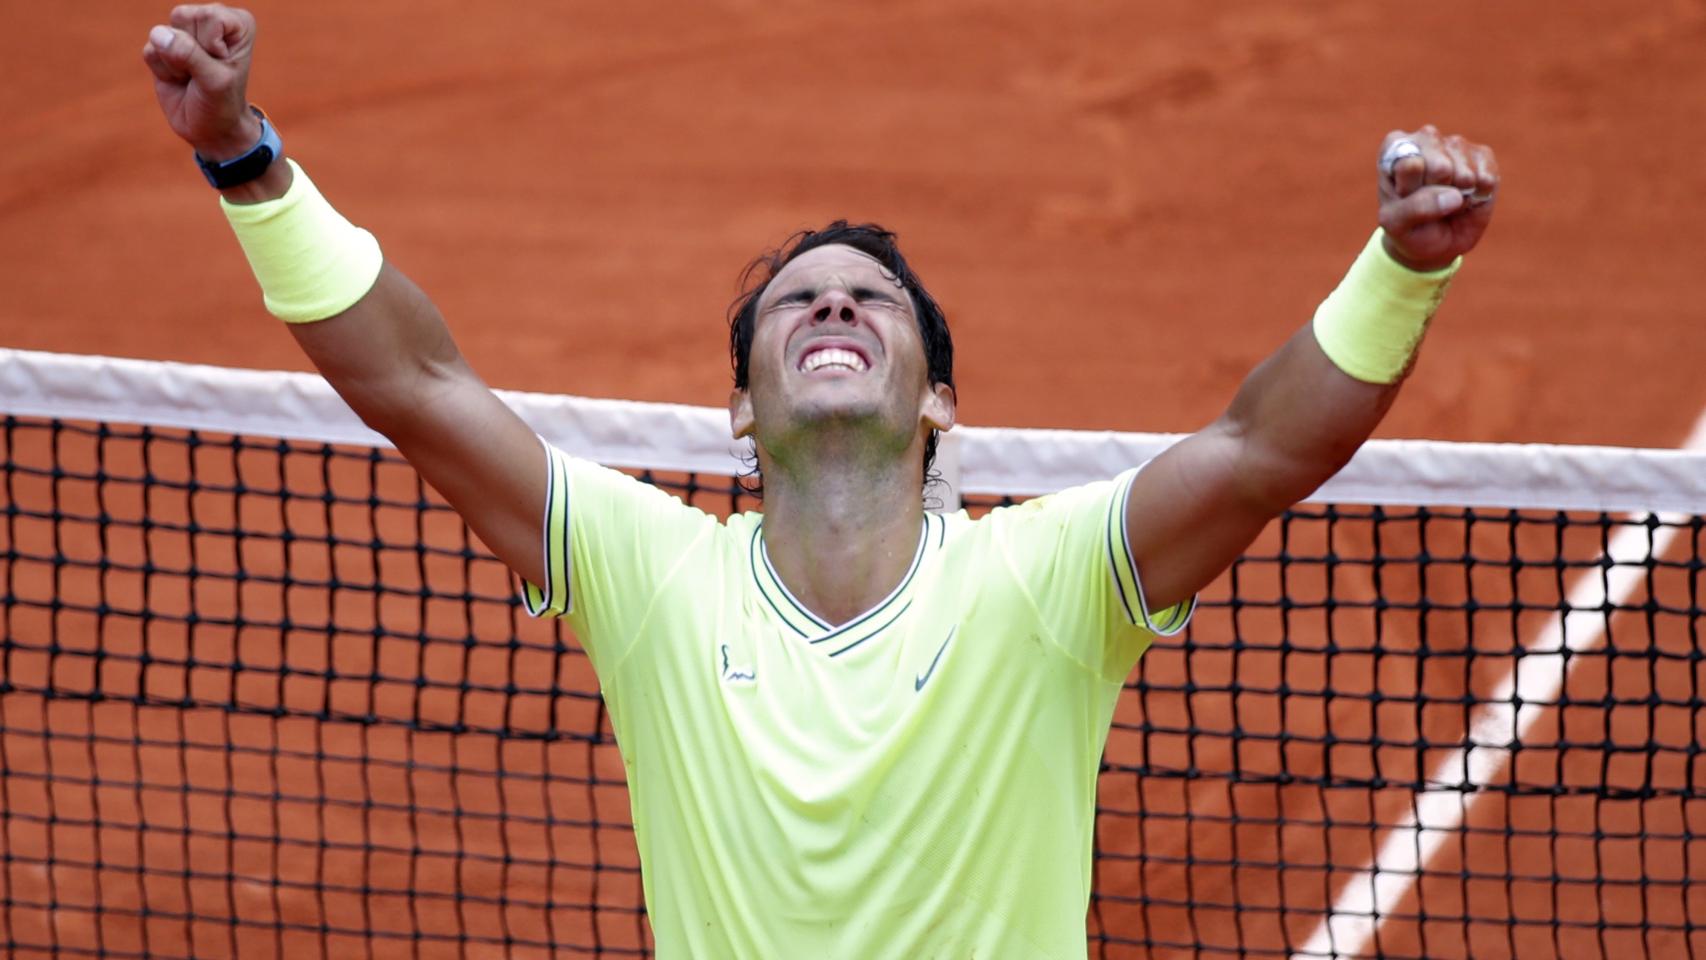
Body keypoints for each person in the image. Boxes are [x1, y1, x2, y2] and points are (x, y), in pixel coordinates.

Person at [141, 4, 1499, 957]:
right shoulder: (650, 577)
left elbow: (1268, 447)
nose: (834, 308)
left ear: (941, 403)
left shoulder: (1043, 585)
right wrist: (242, 159)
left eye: (871, 301)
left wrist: (1404, 269)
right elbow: (417, 389)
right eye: (797, 304)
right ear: (740, 409)